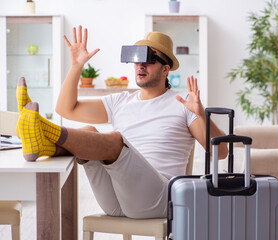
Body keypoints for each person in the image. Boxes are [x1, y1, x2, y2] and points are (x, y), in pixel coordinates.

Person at [16, 26, 228, 218]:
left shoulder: (183, 103)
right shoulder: (120, 100)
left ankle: (43, 128)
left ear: (166, 69)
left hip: (159, 199)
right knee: (89, 130)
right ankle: (43, 144)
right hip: (115, 201)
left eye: (150, 59)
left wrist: (201, 114)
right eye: (137, 59)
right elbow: (66, 109)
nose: (140, 65)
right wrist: (76, 66)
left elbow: (222, 152)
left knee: (115, 141)